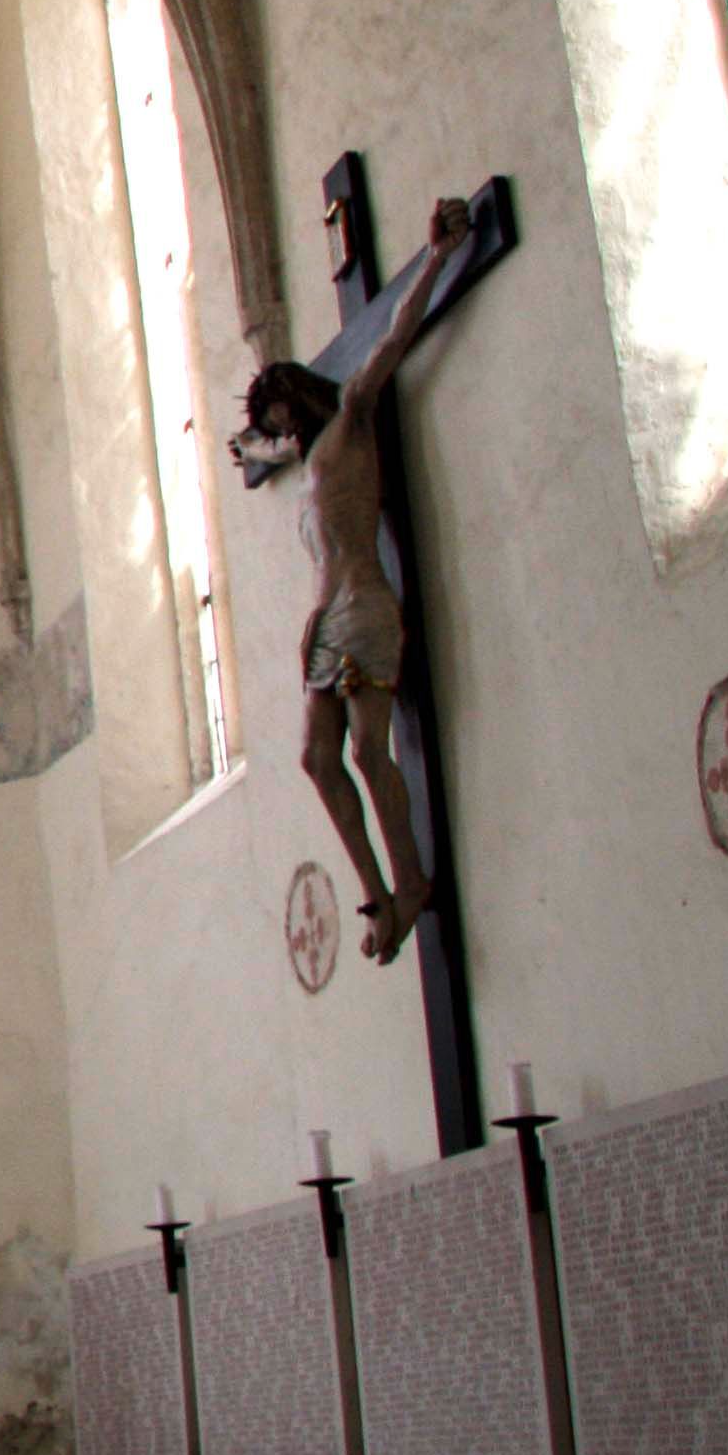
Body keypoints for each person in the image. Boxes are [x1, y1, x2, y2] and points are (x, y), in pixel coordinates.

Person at [239, 195, 470, 966]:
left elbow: (395, 336)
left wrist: (435, 255)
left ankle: (410, 885)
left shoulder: (353, 419)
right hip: (324, 620)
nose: (285, 431)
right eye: (275, 426)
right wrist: (254, 453)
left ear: (300, 391)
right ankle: (376, 891)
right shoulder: (304, 462)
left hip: (367, 600)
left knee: (372, 752)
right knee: (316, 759)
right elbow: (264, 460)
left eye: (282, 413)